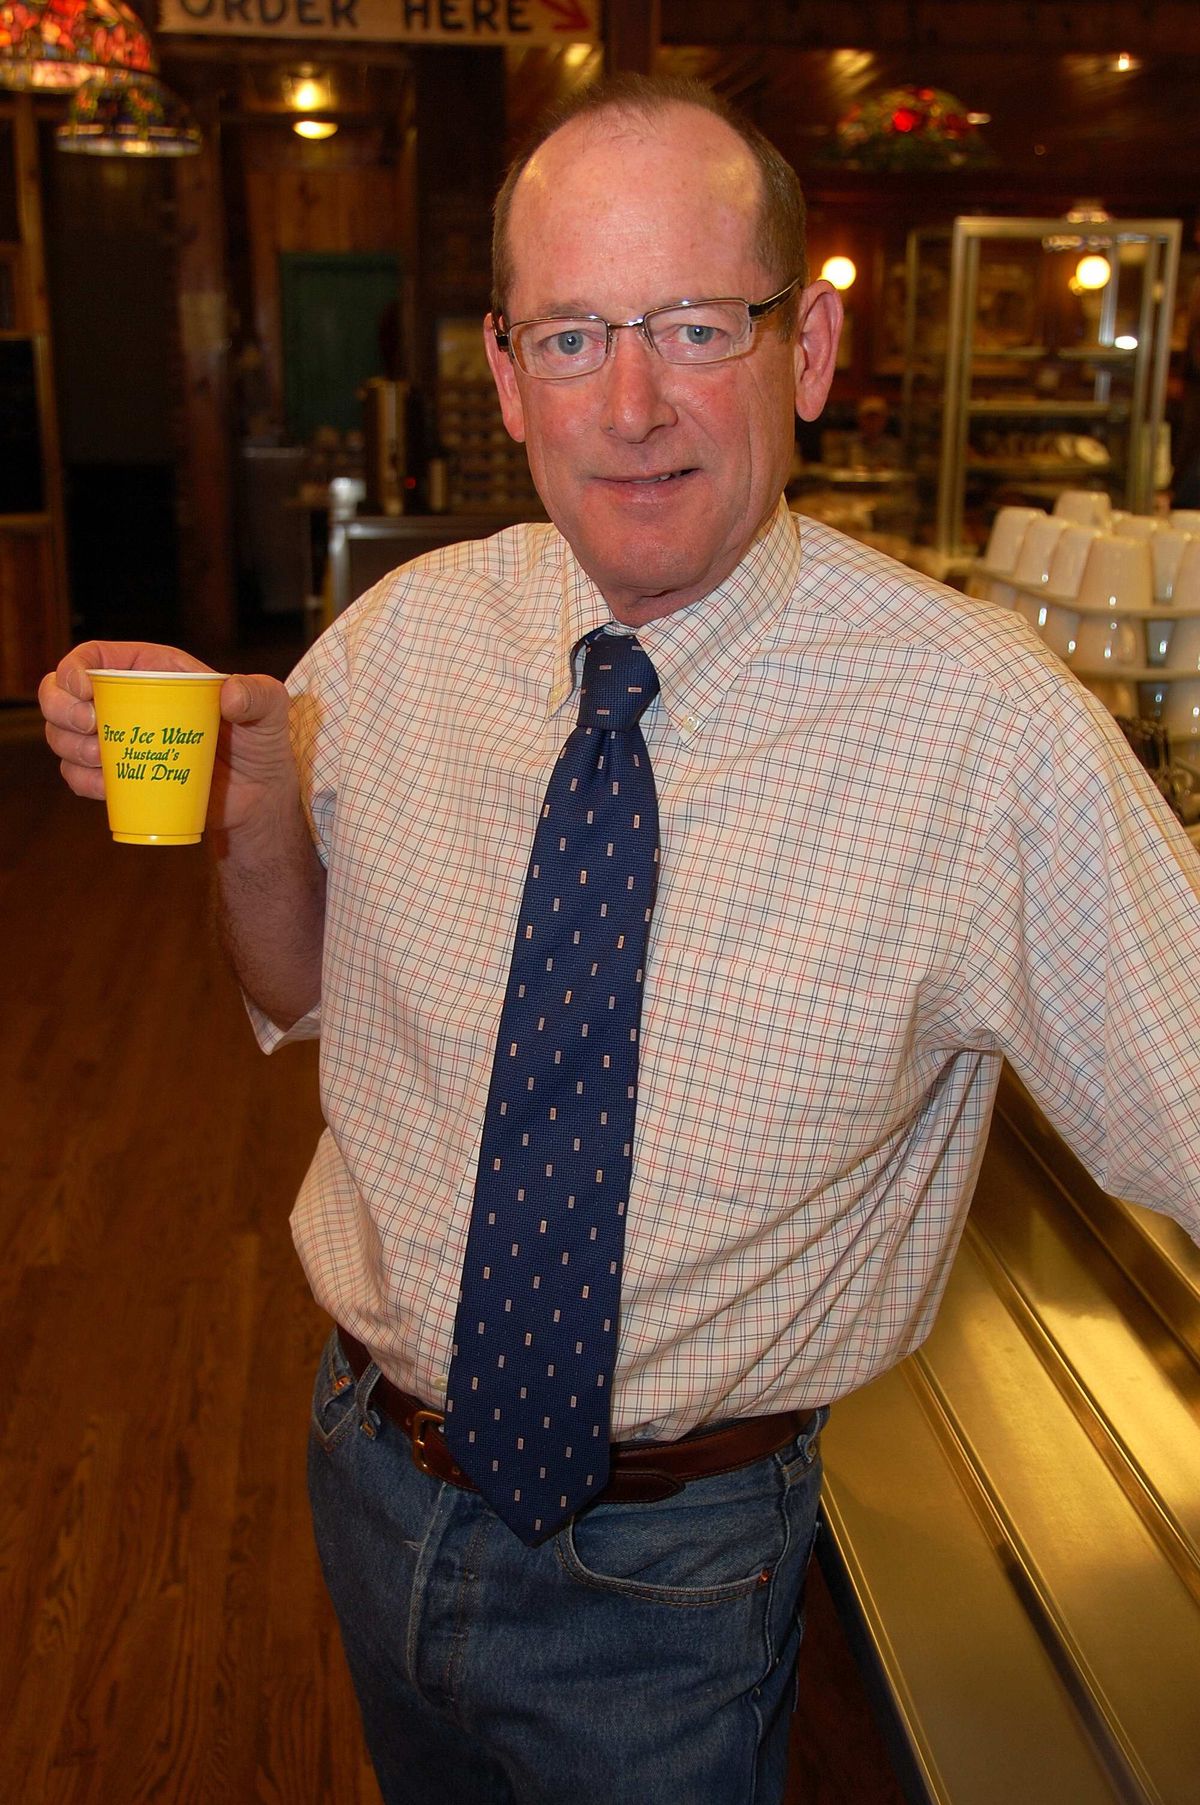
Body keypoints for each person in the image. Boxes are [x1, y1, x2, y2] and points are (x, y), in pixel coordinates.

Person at [40, 74, 1200, 1805]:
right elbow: (291, 990)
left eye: (692, 325)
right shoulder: (412, 637)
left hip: (672, 1570)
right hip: (366, 1471)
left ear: (803, 348)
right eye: (575, 336)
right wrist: (259, 792)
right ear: (505, 376)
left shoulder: (988, 734)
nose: (636, 402)